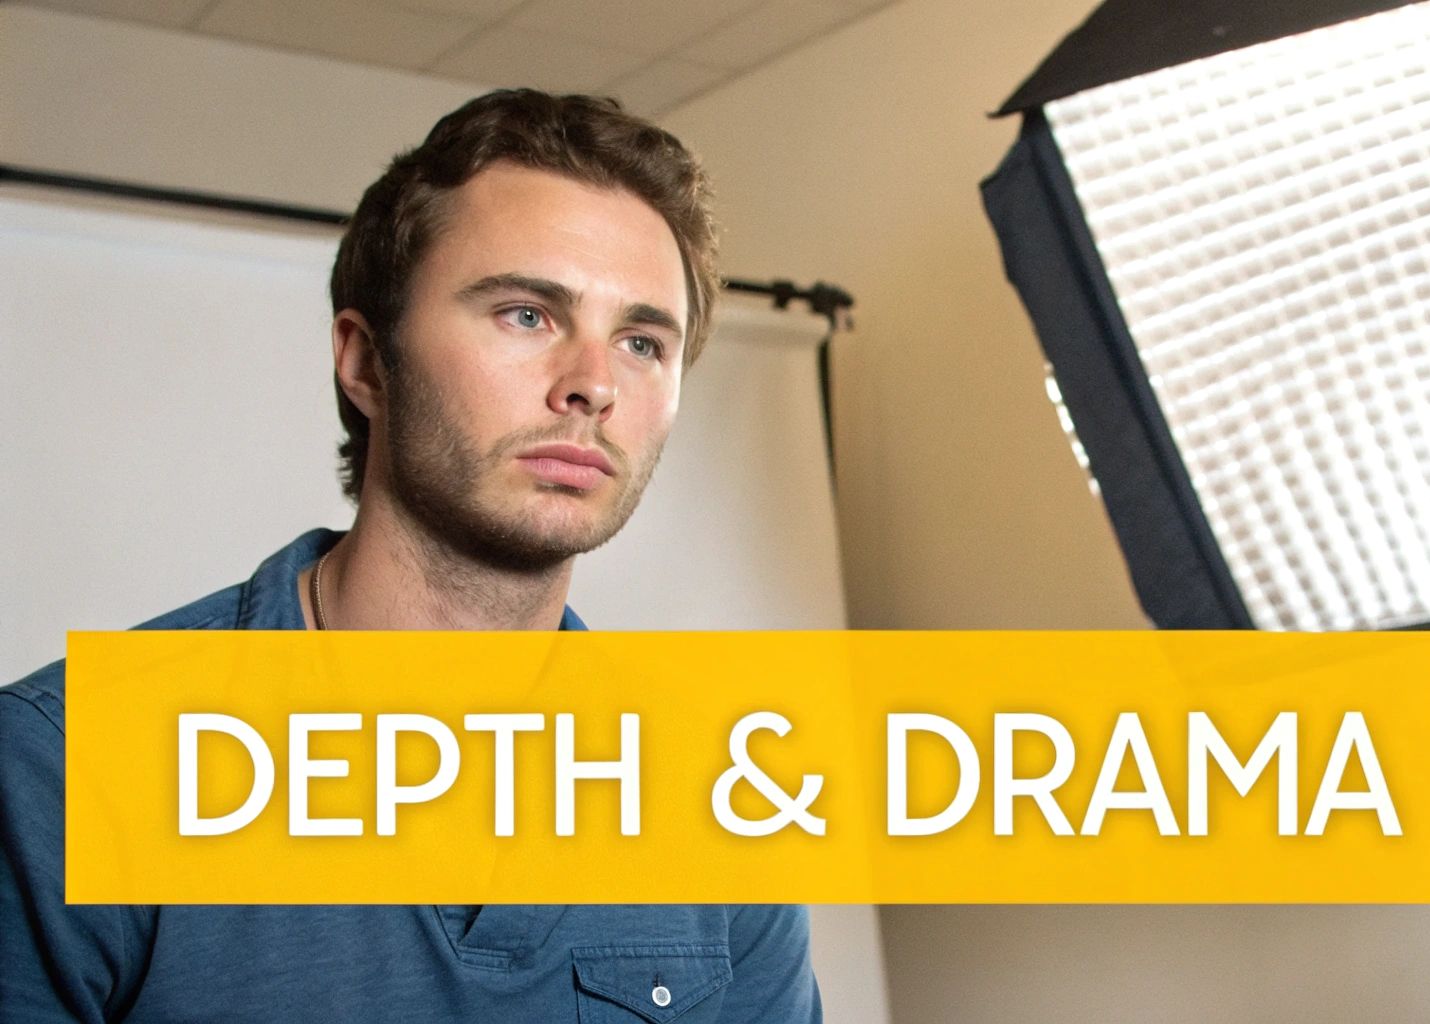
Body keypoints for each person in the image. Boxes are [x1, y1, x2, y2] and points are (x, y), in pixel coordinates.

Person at [0, 89, 822, 1022]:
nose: (593, 384)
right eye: (526, 314)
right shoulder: (65, 774)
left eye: (641, 341)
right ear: (366, 361)